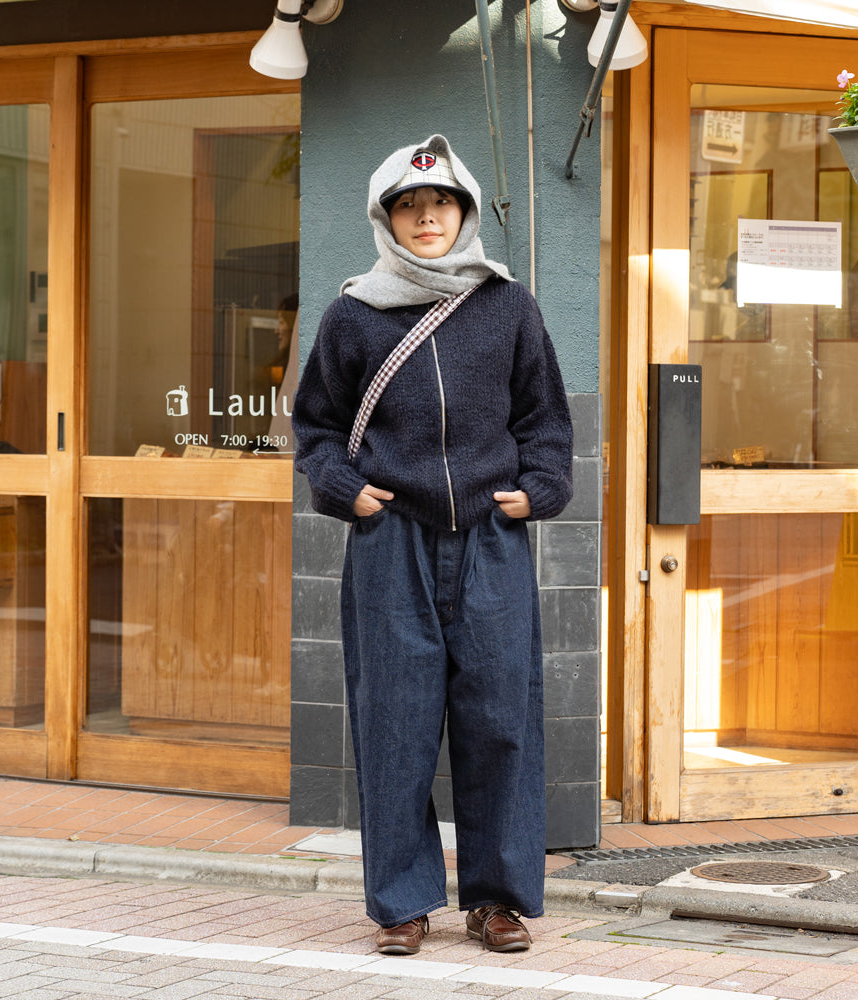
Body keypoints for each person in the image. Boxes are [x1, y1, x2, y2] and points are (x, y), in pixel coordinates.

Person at [291, 134, 573, 956]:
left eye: (440, 204)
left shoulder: (509, 307)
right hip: (392, 541)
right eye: (409, 207)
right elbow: (315, 426)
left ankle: (497, 898)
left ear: (465, 213)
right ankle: (403, 904)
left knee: (500, 719)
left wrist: (543, 488)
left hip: (491, 537)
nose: (426, 219)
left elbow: (545, 420)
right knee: (395, 721)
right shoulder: (353, 313)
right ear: (387, 218)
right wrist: (347, 492)